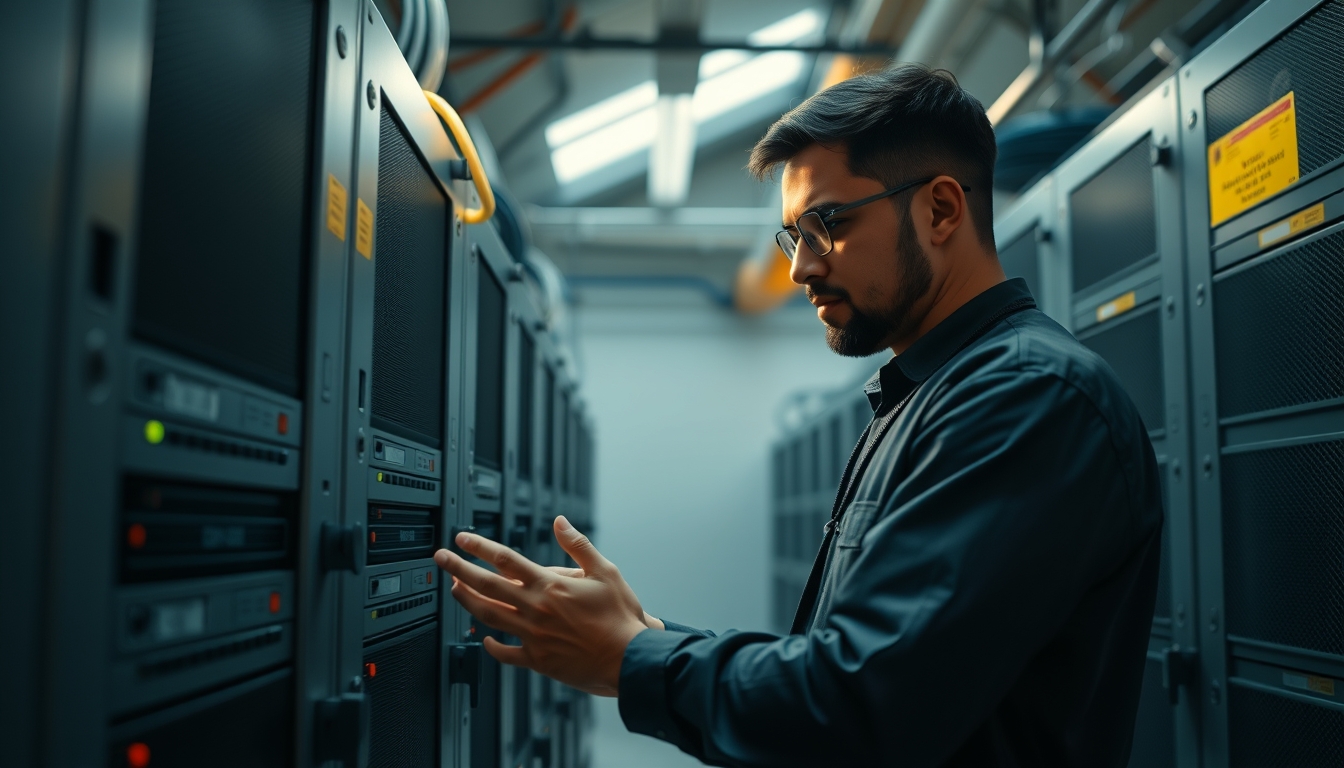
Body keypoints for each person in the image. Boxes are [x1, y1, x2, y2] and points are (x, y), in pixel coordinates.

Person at [435, 64, 1164, 767]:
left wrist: (632, 658)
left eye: (827, 224)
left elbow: (863, 707)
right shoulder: (929, 393)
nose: (800, 268)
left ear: (941, 209)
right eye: (794, 236)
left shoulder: (1027, 398)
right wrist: (641, 634)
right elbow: (847, 659)